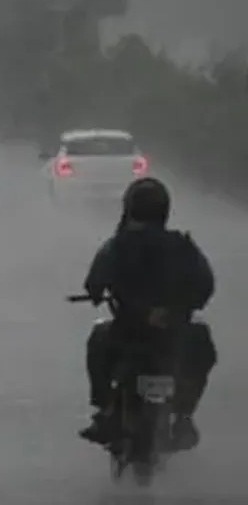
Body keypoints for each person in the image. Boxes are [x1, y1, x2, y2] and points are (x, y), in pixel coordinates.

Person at [78, 177, 216, 451]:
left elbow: (94, 284)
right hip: (176, 334)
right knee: (203, 349)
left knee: (97, 340)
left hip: (129, 334)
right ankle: (185, 417)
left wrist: (99, 294)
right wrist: (177, 309)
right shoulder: (184, 247)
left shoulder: (116, 245)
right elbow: (205, 286)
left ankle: (106, 411)